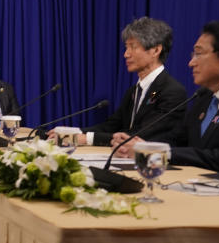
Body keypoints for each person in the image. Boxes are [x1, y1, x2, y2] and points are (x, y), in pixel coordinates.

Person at [116, 21, 219, 175]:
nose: (191, 63)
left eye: (198, 53)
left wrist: (157, 152)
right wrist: (142, 146)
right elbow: (178, 140)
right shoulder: (204, 95)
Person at [76, 17, 187, 146]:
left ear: (156, 50)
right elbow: (111, 126)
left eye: (133, 47)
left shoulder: (172, 91)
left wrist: (88, 138)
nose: (126, 54)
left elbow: (142, 134)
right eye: (126, 47)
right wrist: (72, 133)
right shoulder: (133, 92)